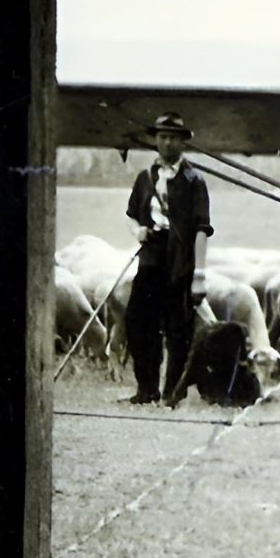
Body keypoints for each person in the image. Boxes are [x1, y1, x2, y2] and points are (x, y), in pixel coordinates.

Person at [122, 112, 211, 404]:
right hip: (150, 257)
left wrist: (199, 275)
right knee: (137, 323)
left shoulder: (194, 181)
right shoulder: (145, 178)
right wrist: (139, 233)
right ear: (155, 140)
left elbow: (201, 229)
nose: (167, 142)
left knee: (178, 330)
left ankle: (174, 392)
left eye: (173, 137)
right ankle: (146, 388)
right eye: (162, 137)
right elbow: (132, 216)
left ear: (183, 142)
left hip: (180, 261)